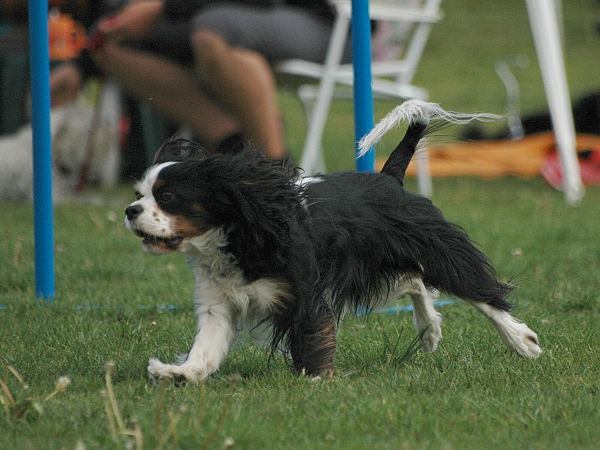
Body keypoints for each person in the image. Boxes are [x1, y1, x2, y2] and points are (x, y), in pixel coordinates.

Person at [52, 0, 351, 159]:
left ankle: (277, 171)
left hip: (328, 20)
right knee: (110, 43)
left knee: (215, 30)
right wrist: (81, 65)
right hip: (215, 18)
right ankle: (233, 149)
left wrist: (163, 7)